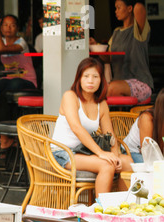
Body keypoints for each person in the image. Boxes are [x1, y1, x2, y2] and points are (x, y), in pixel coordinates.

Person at [52, 57, 133, 197]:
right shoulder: (70, 96)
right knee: (106, 164)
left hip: (86, 152)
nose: (91, 81)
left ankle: (121, 205)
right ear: (79, 78)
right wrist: (101, 153)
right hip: (64, 152)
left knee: (128, 163)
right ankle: (101, 211)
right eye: (86, 76)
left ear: (101, 80)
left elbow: (110, 135)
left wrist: (115, 154)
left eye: (95, 76)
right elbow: (77, 128)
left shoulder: (101, 104)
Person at [0, 9, 38, 148]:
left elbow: (2, 49)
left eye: (12, 25)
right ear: (1, 27)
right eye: (5, 25)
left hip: (27, 81)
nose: (8, 28)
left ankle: (6, 136)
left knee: (8, 84)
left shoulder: (22, 43)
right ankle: (2, 136)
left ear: (17, 28)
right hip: (8, 84)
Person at [90, 0, 153, 103]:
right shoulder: (116, 32)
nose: (116, 11)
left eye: (119, 7)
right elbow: (108, 58)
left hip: (140, 84)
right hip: (118, 83)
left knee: (112, 88)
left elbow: (138, 7)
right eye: (115, 8)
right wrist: (95, 47)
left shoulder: (138, 30)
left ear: (129, 9)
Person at [124, 88, 164, 163]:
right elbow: (147, 151)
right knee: (154, 167)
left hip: (155, 155)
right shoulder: (147, 118)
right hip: (131, 152)